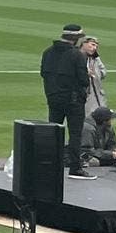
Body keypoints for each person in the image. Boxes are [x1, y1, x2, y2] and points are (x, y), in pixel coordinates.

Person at [42, 23, 95, 179]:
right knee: (75, 134)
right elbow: (84, 80)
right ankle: (75, 167)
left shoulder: (48, 52)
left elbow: (44, 74)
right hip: (73, 100)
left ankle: (51, 165)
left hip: (53, 97)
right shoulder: (77, 55)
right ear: (76, 39)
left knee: (54, 132)